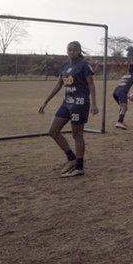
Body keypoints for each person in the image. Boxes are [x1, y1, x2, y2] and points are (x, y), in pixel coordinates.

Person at [38, 41, 97, 177]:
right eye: (69, 50)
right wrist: (46, 101)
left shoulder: (84, 65)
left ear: (79, 50)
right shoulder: (65, 65)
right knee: (53, 131)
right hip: (67, 103)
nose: (72, 52)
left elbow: (91, 85)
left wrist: (94, 104)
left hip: (80, 103)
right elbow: (59, 84)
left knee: (77, 135)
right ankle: (71, 158)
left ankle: (79, 167)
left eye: (74, 50)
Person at [112, 63, 133, 129]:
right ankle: (119, 122)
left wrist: (128, 96)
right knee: (124, 108)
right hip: (122, 93)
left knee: (123, 107)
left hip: (115, 92)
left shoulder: (125, 76)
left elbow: (123, 86)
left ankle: (121, 121)